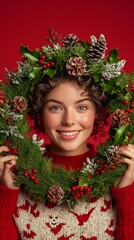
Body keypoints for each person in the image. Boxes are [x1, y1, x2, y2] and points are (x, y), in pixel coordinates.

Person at [0, 29, 134, 239]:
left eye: (81, 108)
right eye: (55, 108)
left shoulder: (121, 175)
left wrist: (126, 195)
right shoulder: (17, 174)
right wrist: (6, 193)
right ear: (39, 112)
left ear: (97, 112)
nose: (69, 120)